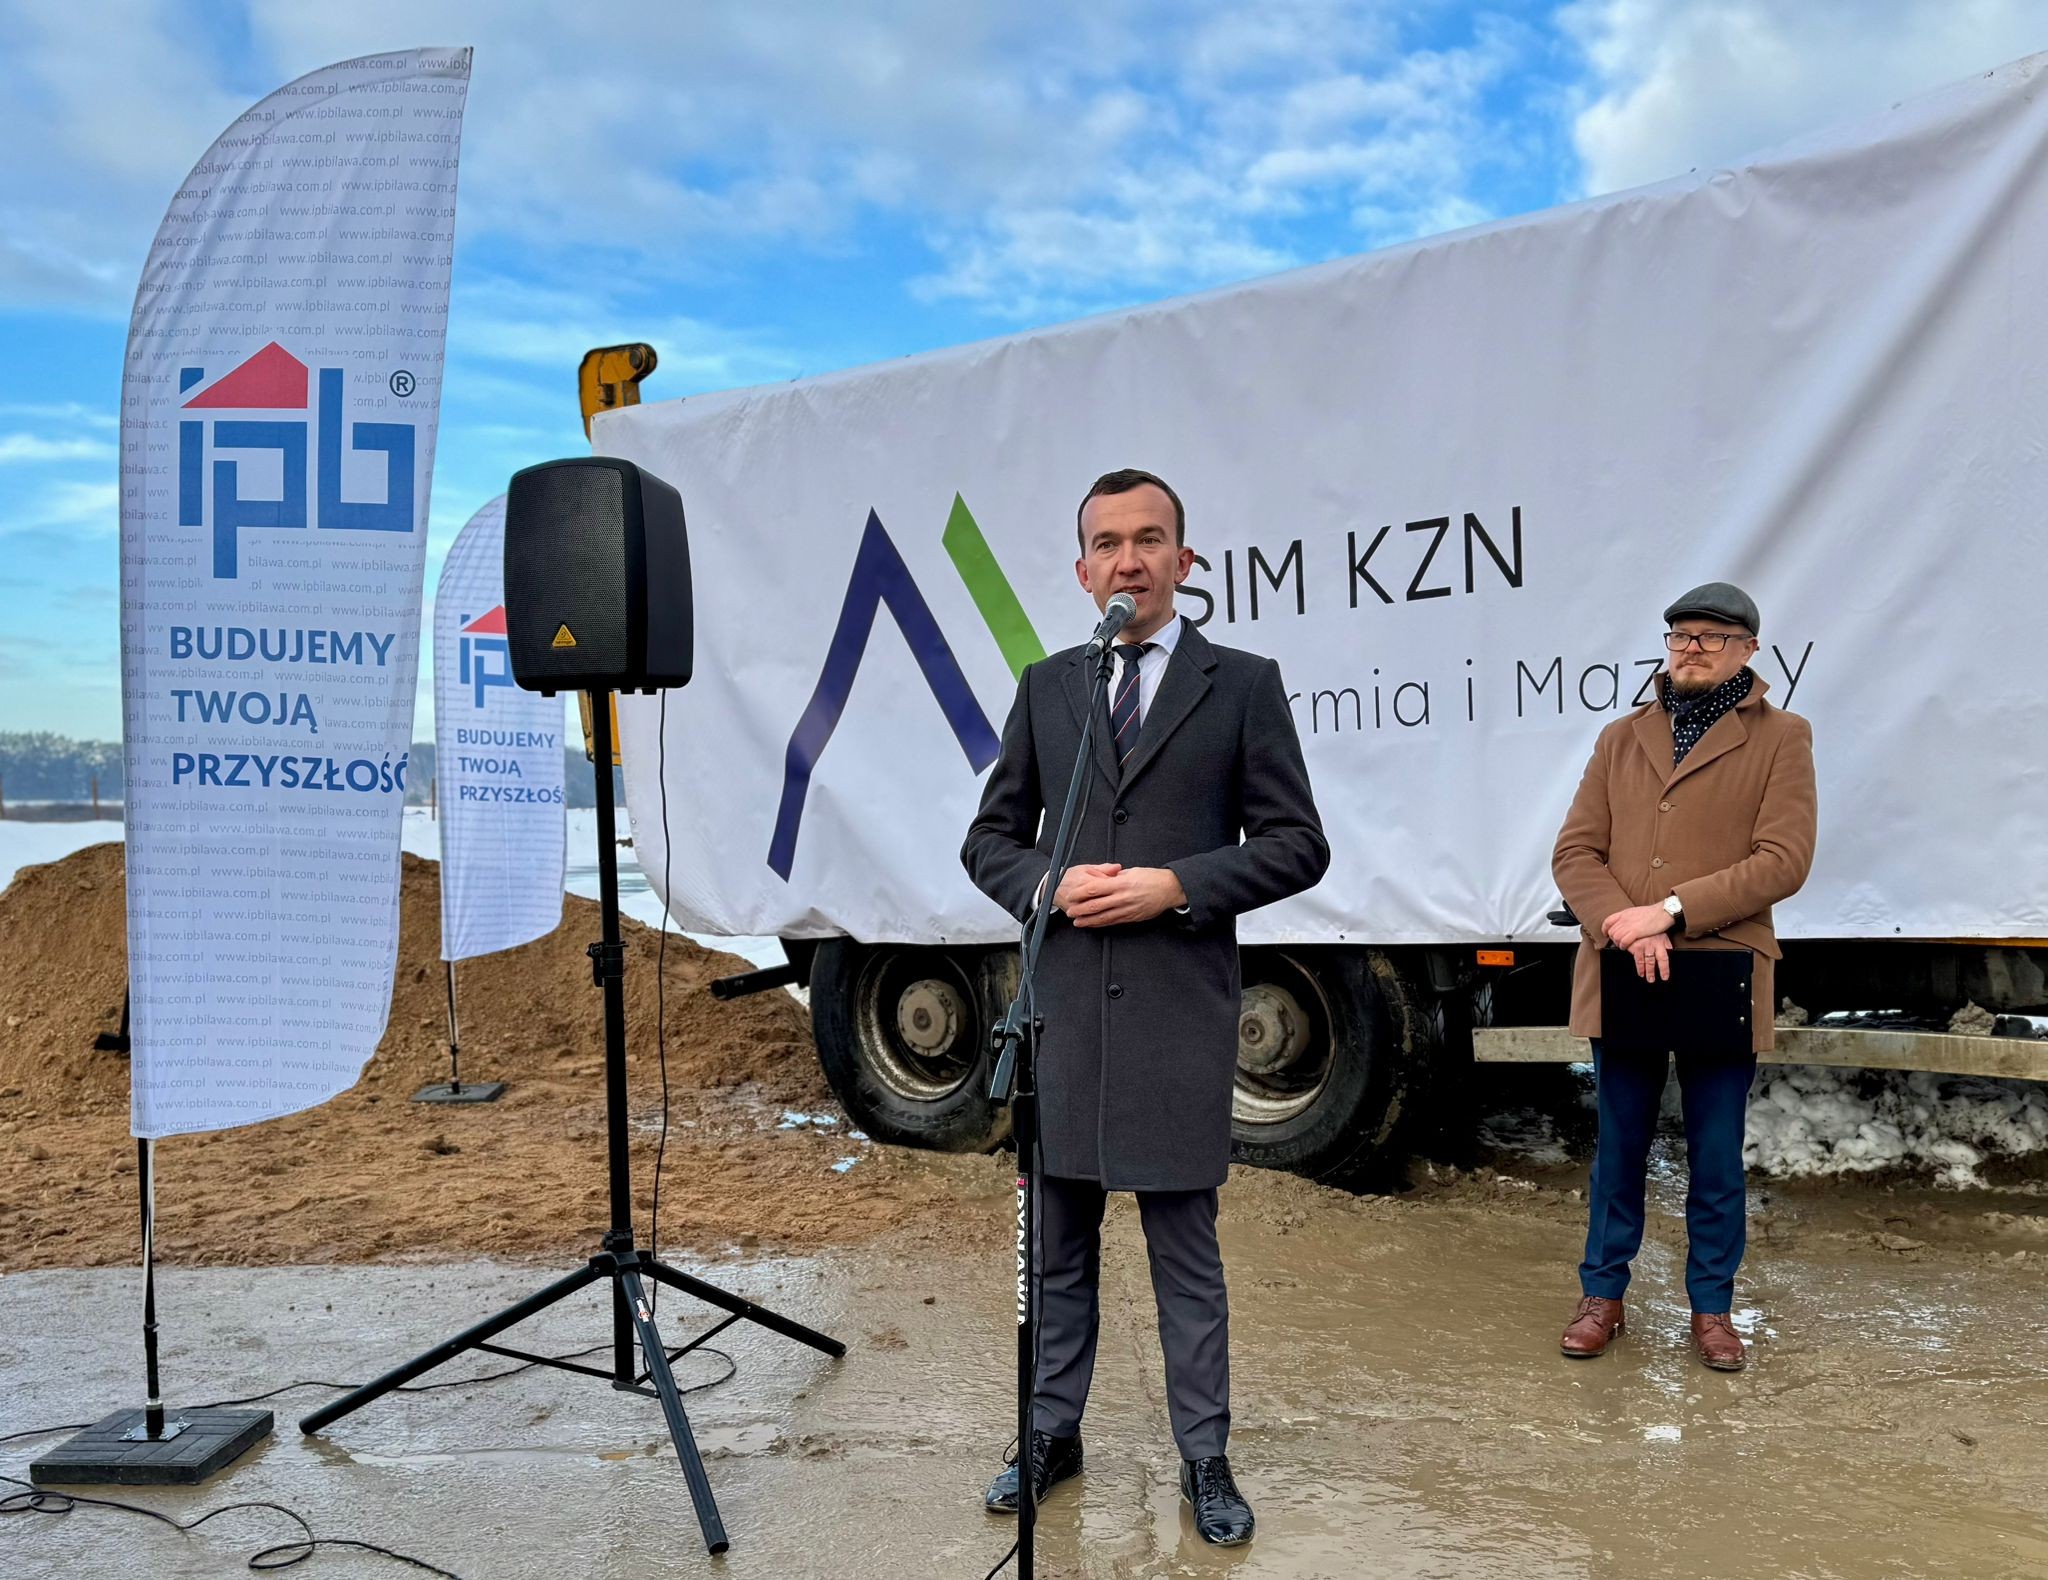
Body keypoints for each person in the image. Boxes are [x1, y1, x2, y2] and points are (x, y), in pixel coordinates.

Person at [961, 468, 1328, 1545]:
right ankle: (1049, 1432)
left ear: (1184, 559)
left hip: (1177, 1011)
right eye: (1108, 543)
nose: (1129, 559)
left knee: (1185, 1258)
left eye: (1149, 539)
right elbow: (989, 838)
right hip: (1066, 1015)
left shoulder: (1242, 683)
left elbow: (1298, 844)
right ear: (1082, 570)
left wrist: (1178, 884)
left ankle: (1204, 1455)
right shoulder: (1048, 685)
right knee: (1057, 1250)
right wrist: (1045, 883)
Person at [1551, 581, 1817, 1372]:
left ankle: (1712, 1309)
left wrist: (1666, 912)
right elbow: (1576, 853)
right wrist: (1620, 923)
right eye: (1680, 636)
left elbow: (1783, 860)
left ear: (1748, 650)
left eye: (1711, 636)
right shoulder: (1621, 736)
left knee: (1715, 1155)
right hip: (1623, 965)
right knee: (1618, 1147)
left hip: (1720, 971)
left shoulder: (1783, 736)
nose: (1692, 648)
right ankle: (1602, 1296)